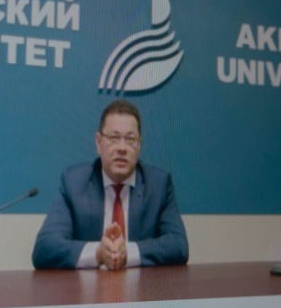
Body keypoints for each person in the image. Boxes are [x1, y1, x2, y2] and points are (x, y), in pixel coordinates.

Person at [32, 100, 188, 270]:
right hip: (87, 286)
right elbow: (45, 248)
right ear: (98, 142)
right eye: (114, 138)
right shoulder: (74, 183)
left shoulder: (158, 184)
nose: (122, 148)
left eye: (130, 139)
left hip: (142, 285)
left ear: (139, 145)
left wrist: (127, 252)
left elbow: (178, 245)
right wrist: (98, 252)